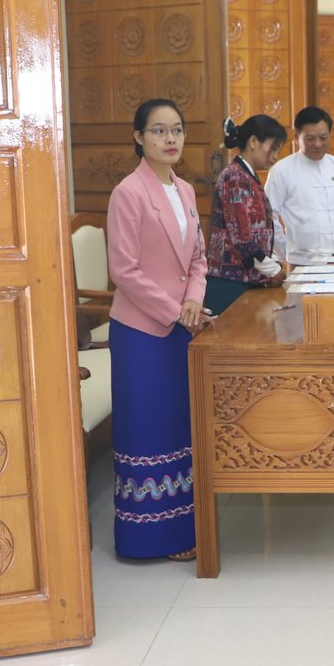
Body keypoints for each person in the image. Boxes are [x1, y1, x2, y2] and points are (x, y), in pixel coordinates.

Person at [105, 98, 211, 560]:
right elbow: (124, 270)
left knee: (178, 427)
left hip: (181, 326)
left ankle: (183, 529)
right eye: (159, 130)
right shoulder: (128, 193)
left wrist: (193, 301)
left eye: (177, 130)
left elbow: (198, 259)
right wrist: (175, 309)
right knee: (148, 430)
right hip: (141, 333)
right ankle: (147, 538)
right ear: (138, 137)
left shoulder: (184, 190)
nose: (170, 139)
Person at [205, 115, 289, 315]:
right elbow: (242, 240)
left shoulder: (248, 177)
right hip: (229, 283)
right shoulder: (234, 177)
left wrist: (273, 263)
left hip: (245, 279)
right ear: (253, 142)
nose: (275, 157)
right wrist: (274, 270)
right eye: (273, 148)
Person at [266, 106, 334, 263]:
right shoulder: (282, 170)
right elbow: (268, 216)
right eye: (310, 139)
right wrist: (285, 251)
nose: (318, 144)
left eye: (323, 137)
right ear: (296, 137)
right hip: (302, 260)